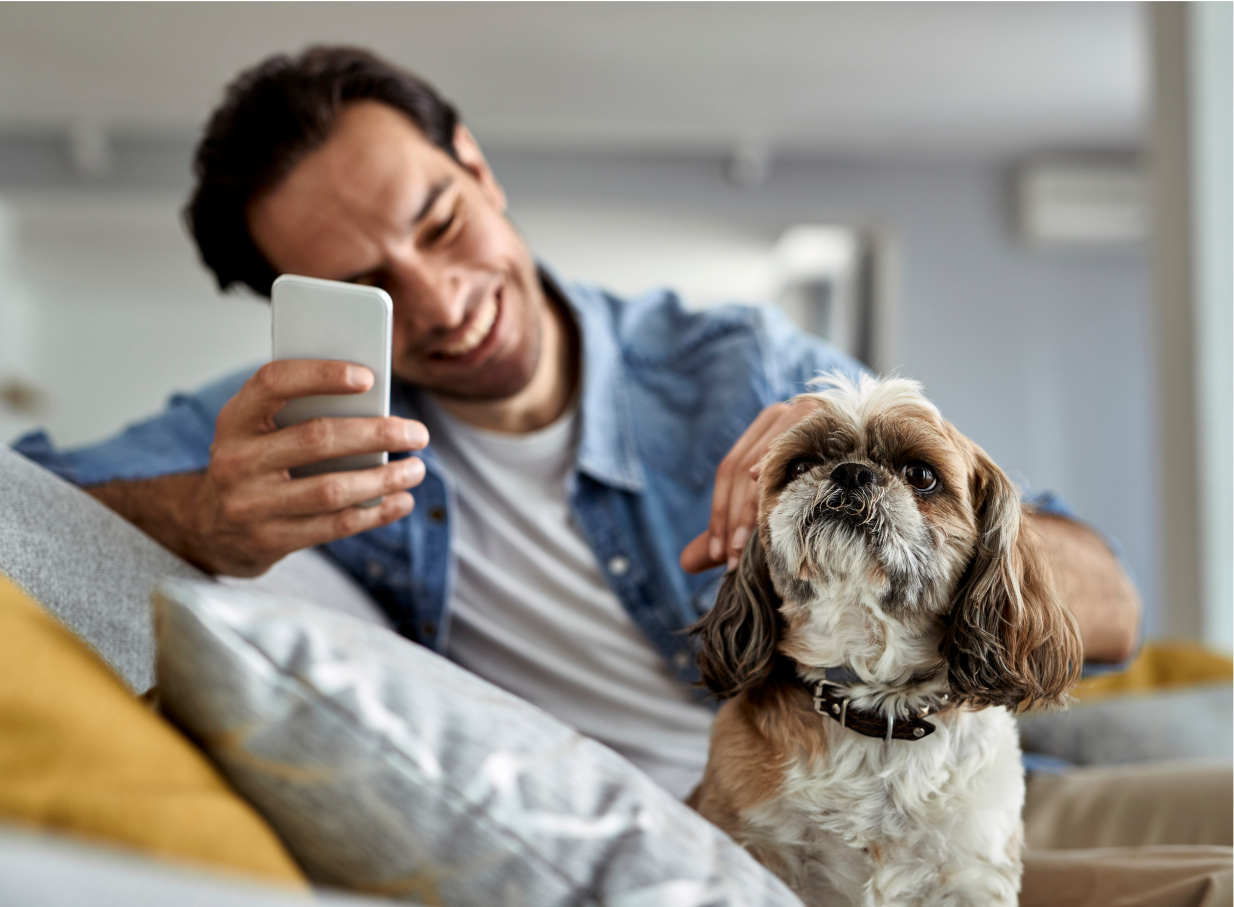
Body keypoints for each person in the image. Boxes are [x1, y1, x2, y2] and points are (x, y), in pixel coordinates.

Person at [15, 47, 1226, 905]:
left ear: (477, 165)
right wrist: (201, 513)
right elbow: (30, 500)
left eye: (438, 222)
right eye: (369, 289)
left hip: (982, 795)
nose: (439, 302)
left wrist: (941, 517)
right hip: (729, 833)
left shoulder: (741, 364)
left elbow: (1107, 607)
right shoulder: (291, 434)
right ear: (299, 307)